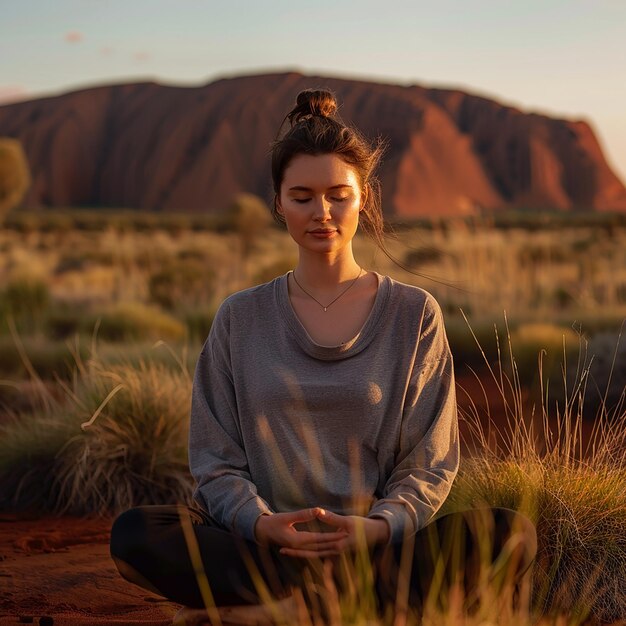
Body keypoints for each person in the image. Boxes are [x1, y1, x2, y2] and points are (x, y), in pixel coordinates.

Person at [109, 88, 537, 624]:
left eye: (338, 194)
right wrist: (263, 524)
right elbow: (215, 461)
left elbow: (430, 461)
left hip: (375, 549)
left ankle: (278, 615)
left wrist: (379, 527)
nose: (322, 213)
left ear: (364, 199)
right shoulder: (240, 317)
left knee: (510, 535)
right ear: (278, 203)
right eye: (303, 196)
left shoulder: (413, 313)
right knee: (136, 534)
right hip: (269, 550)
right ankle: (326, 607)